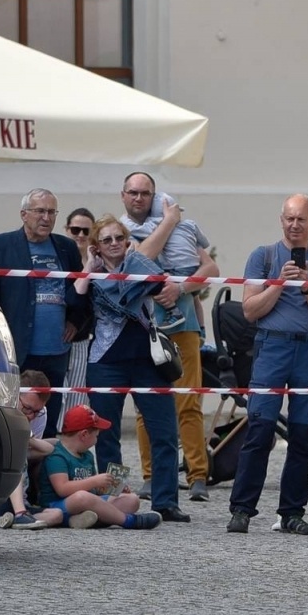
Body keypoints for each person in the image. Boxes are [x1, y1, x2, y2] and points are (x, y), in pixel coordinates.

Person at [225, 195, 308, 535]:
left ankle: (292, 512)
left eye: (301, 220)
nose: (294, 225)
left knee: (303, 434)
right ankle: (242, 509)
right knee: (259, 428)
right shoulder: (262, 256)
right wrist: (279, 282)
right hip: (271, 346)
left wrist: (306, 287)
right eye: (289, 219)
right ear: (281, 220)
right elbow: (250, 310)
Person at [72, 214, 189, 522]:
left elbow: (165, 289)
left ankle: (166, 501)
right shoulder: (94, 276)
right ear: (97, 246)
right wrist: (88, 264)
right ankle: (117, 496)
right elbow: (77, 294)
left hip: (150, 363)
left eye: (118, 238)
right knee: (108, 437)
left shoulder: (141, 268)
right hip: (105, 362)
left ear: (127, 241)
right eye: (106, 240)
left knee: (163, 432)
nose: (114, 244)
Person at [120, 173, 219, 502]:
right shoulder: (120, 230)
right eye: (133, 192)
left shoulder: (182, 228)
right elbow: (141, 256)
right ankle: (151, 476)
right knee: (145, 405)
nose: (139, 198)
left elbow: (210, 269)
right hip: (144, 327)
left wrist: (182, 287)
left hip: (184, 324)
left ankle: (198, 476)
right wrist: (170, 220)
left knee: (189, 401)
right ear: (123, 196)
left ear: (154, 196)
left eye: (145, 193)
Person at [0, 189, 90, 436]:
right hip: (17, 349)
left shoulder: (66, 247)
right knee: (14, 417)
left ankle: (46, 474)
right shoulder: (0, 245)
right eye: (40, 211)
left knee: (49, 418)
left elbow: (83, 292)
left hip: (56, 351)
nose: (46, 218)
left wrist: (75, 321)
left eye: (51, 212)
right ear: (24, 214)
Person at [35, 405, 161, 530]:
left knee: (132, 500)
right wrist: (95, 481)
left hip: (88, 502)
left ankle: (84, 519)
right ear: (84, 435)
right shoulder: (58, 456)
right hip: (57, 505)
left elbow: (93, 491)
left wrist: (109, 488)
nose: (97, 440)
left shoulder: (87, 455)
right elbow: (62, 489)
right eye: (96, 436)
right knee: (82, 497)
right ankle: (128, 521)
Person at [0, 372, 57, 529]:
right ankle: (20, 514)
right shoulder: (1, 406)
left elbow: (36, 450)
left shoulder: (40, 414)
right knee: (16, 454)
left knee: (57, 445)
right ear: (15, 394)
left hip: (23, 482)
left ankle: (21, 516)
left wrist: (29, 439)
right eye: (27, 408)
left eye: (36, 411)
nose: (31, 416)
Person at [59, 206, 97, 416]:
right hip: (55, 334)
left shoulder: (97, 263)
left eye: (86, 231)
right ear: (67, 229)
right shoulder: (59, 257)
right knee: (55, 392)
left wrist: (76, 322)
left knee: (78, 395)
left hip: (83, 337)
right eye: (75, 230)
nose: (80, 235)